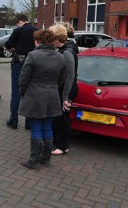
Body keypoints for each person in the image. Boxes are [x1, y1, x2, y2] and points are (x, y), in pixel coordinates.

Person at [18, 29, 66, 169]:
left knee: (36, 127)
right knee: (47, 126)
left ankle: (34, 160)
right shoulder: (60, 57)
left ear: (38, 41)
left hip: (34, 96)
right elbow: (61, 79)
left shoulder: (33, 55)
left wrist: (23, 93)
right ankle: (46, 158)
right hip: (52, 96)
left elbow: (23, 78)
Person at [5, 14, 38, 130]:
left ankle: (14, 120)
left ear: (20, 21)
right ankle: (28, 122)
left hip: (18, 65)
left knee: (16, 93)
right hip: (32, 66)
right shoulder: (36, 30)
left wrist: (15, 49)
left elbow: (7, 45)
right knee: (30, 93)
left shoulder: (18, 31)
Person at [50, 23, 79, 155]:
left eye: (52, 39)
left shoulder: (67, 52)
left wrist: (65, 98)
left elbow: (70, 76)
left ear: (57, 39)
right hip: (63, 89)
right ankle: (59, 143)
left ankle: (62, 146)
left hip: (66, 90)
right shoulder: (66, 49)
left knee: (62, 118)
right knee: (59, 117)